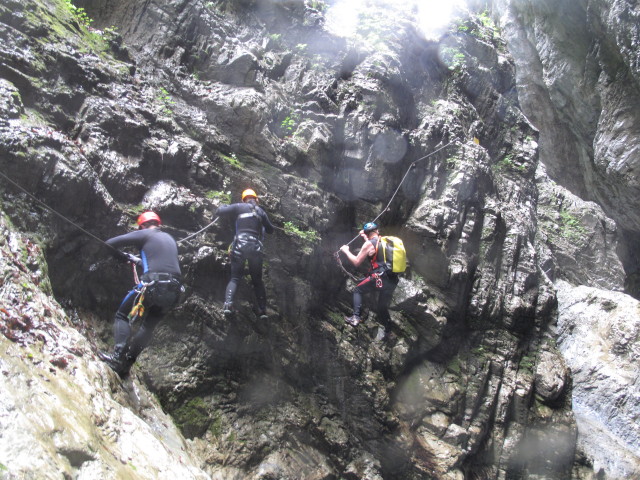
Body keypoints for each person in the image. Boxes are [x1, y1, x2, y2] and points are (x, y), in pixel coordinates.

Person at [98, 211, 182, 378]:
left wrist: (122, 258)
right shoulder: (169, 238)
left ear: (142, 225)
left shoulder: (144, 233)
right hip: (174, 291)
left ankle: (117, 358)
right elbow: (161, 263)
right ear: (158, 223)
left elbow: (108, 244)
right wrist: (137, 260)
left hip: (153, 286)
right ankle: (127, 365)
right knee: (148, 327)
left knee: (122, 315)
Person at [216, 188, 274, 320]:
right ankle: (263, 310)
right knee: (257, 281)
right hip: (255, 249)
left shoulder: (238, 207)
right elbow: (270, 230)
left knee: (235, 278)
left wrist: (225, 206)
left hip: (240, 247)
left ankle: (228, 304)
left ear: (244, 199)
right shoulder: (261, 212)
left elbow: (220, 211)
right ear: (256, 200)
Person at [339, 222, 399, 332]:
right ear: (377, 231)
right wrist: (364, 237)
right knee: (382, 306)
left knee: (357, 290)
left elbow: (357, 262)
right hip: (392, 279)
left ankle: (355, 317)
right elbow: (373, 249)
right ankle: (389, 331)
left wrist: (346, 251)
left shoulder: (369, 244)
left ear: (367, 233)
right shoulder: (384, 241)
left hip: (380, 277)